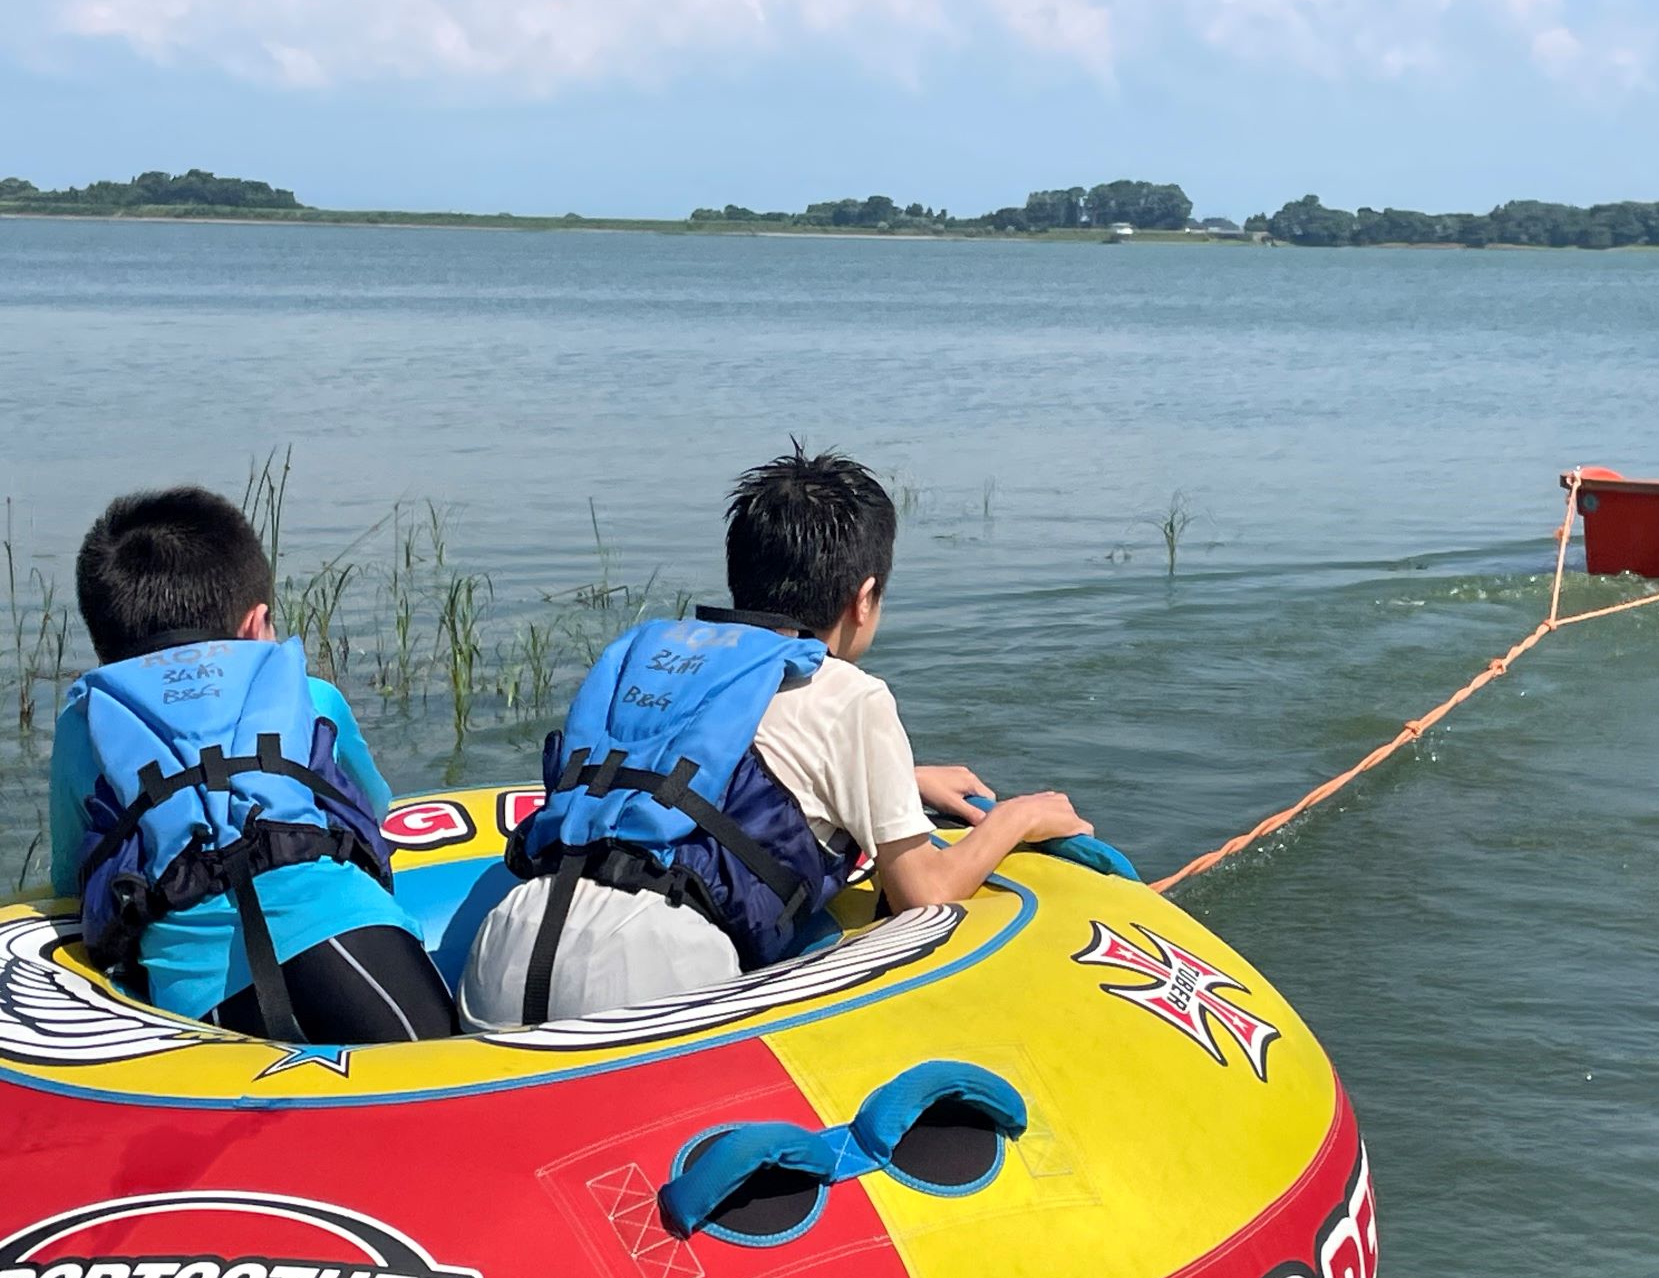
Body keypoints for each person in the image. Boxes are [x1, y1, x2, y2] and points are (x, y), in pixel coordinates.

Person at [459, 447, 1093, 1029]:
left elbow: (689, 777)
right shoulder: (853, 693)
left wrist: (908, 781)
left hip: (504, 948)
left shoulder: (665, 665)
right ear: (863, 598)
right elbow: (921, 893)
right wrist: (1014, 818)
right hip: (647, 973)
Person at [49, 487, 454, 1044]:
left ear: (107, 655)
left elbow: (69, 875)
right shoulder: (313, 696)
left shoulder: (86, 723)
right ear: (256, 625)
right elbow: (373, 809)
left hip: (200, 995)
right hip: (353, 939)